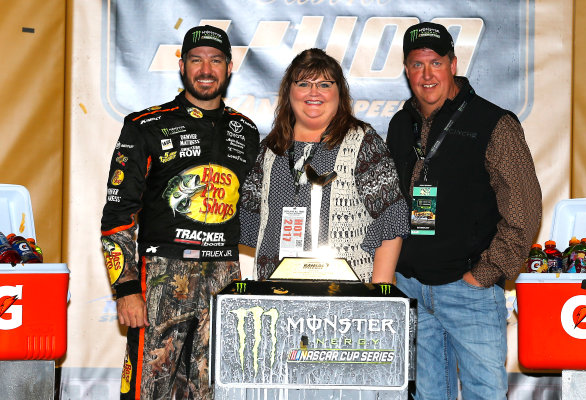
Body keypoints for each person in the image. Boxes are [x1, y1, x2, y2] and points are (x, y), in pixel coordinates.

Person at [100, 25, 259, 399]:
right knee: (147, 391)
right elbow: (117, 215)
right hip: (161, 276)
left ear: (229, 67)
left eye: (215, 60)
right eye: (196, 60)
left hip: (224, 275)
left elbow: (257, 208)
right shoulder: (145, 126)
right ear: (183, 66)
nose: (206, 69)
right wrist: (125, 289)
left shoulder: (246, 130)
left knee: (215, 390)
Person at [386, 22, 542, 400]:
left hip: (468, 290)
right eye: (417, 64)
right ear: (407, 69)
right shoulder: (400, 124)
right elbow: (389, 206)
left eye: (435, 63)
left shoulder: (494, 123)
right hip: (411, 290)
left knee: (484, 395)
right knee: (425, 396)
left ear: (453, 64)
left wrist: (483, 274)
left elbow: (525, 209)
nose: (426, 74)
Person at [240, 48, 409, 283]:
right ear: (289, 91)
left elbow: (391, 217)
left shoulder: (363, 142)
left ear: (339, 92)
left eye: (325, 84)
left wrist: (378, 292)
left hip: (346, 294)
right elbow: (248, 220)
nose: (313, 92)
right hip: (275, 291)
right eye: (303, 84)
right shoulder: (270, 148)